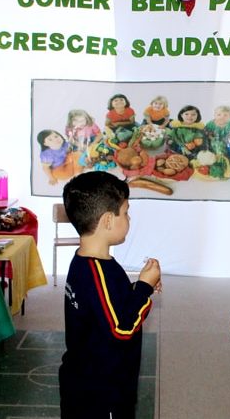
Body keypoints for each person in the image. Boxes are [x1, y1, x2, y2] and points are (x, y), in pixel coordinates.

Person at [58, 171, 162, 419]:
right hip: (102, 392)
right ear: (107, 221)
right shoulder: (98, 273)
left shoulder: (86, 262)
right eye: (125, 212)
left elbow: (112, 305)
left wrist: (139, 289)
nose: (128, 218)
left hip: (85, 381)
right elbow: (122, 327)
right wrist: (145, 288)